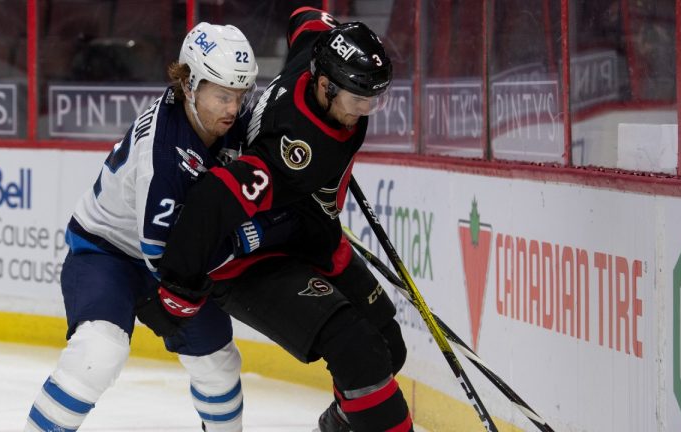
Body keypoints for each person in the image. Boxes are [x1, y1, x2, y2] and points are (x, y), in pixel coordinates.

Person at [156, 8, 413, 432]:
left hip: (309, 228)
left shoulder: (317, 46)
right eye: (359, 99)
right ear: (326, 86)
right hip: (255, 256)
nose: (367, 109)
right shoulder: (291, 151)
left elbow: (304, 16)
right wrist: (176, 288)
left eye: (375, 99)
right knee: (358, 351)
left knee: (386, 344)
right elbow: (211, 202)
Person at [24, 22, 259, 432]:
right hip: (107, 252)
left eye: (240, 96)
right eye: (223, 95)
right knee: (98, 353)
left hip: (174, 253)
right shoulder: (163, 156)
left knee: (219, 365)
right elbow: (163, 257)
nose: (233, 109)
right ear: (189, 85)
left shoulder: (229, 119)